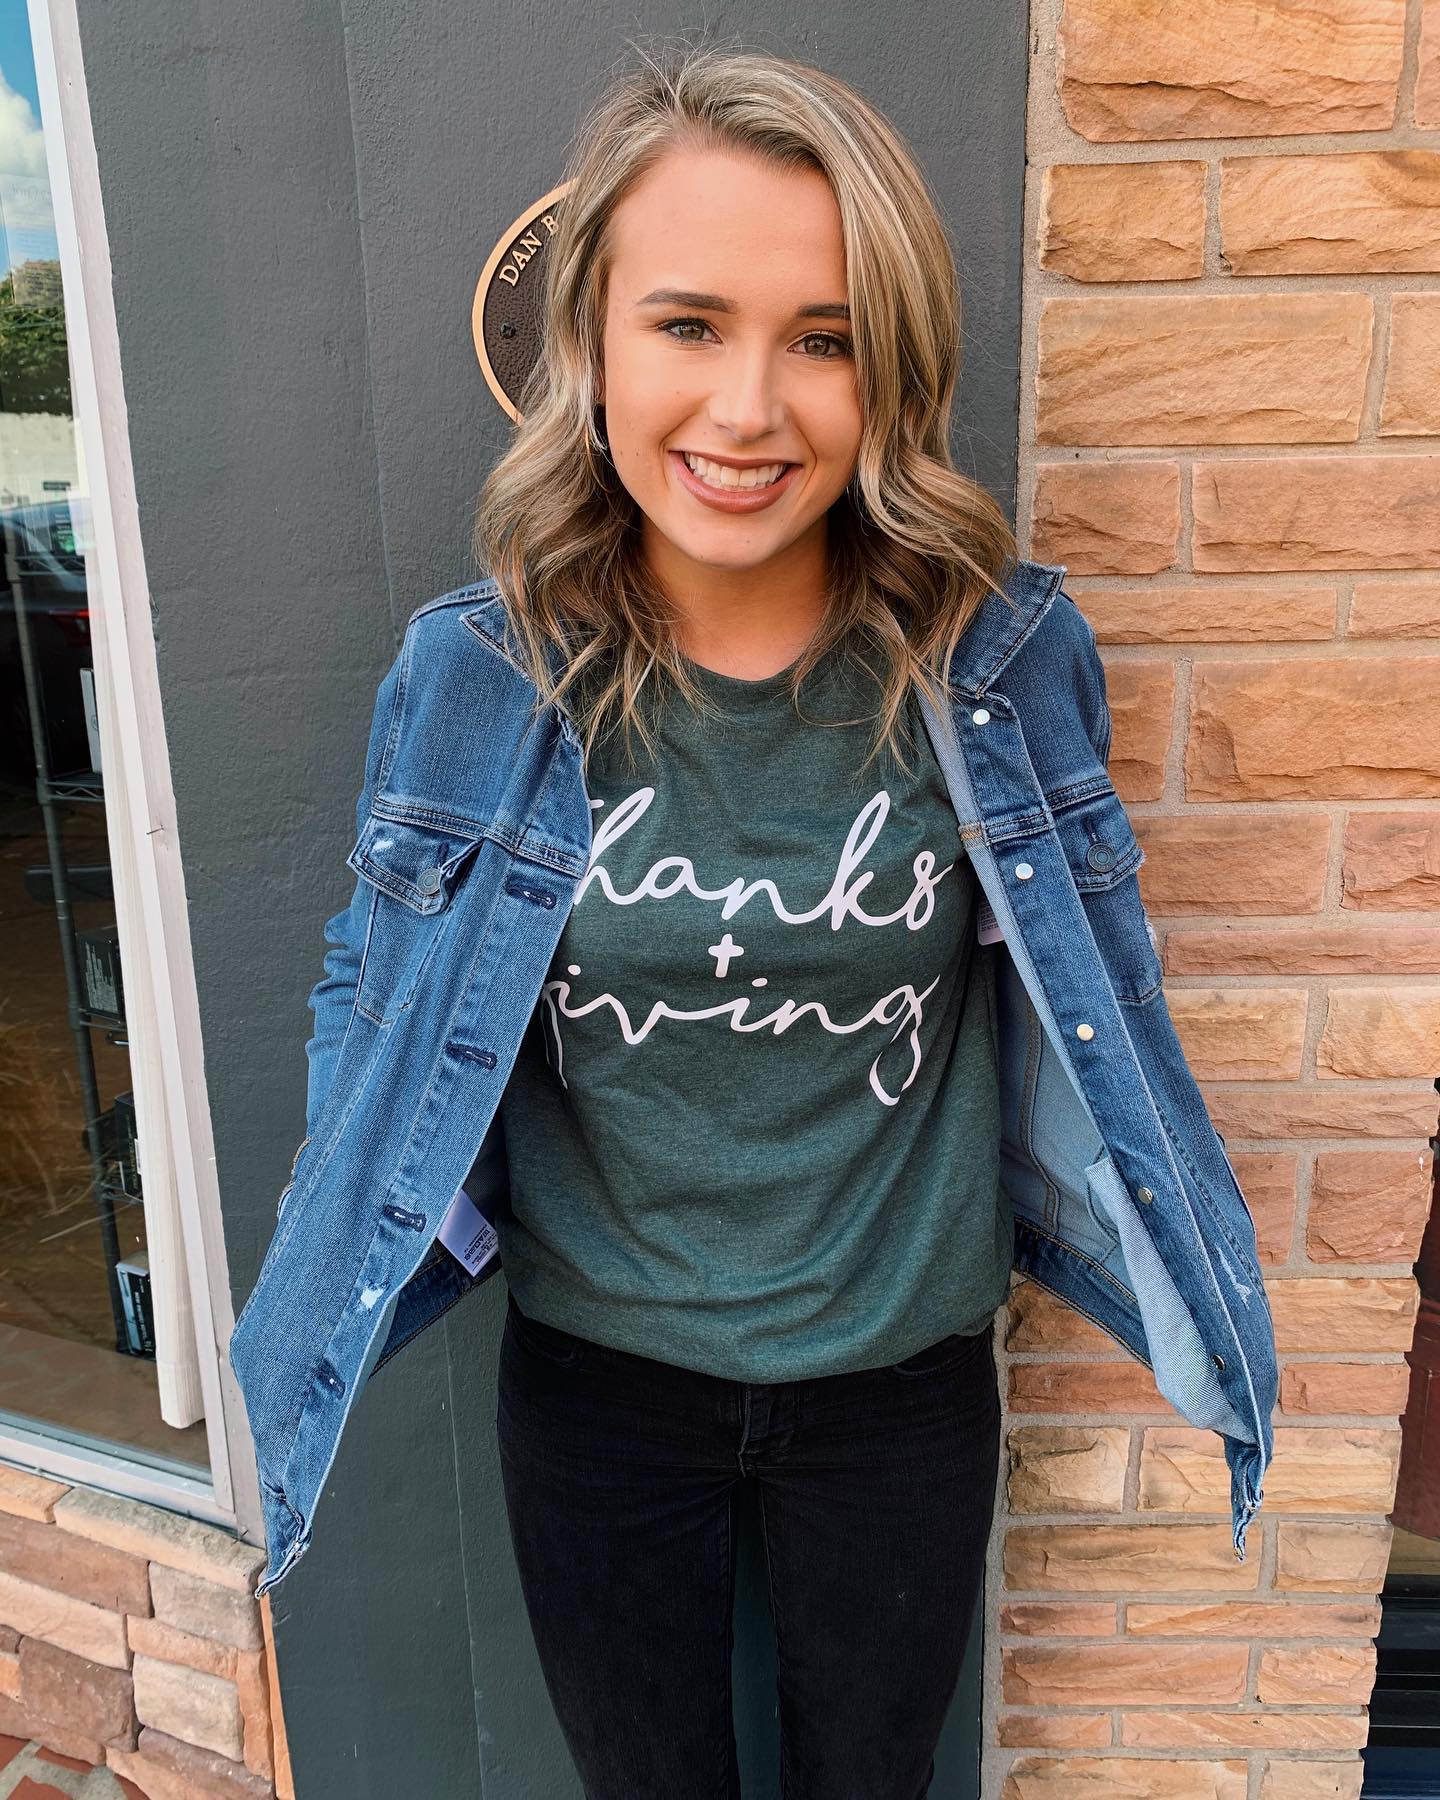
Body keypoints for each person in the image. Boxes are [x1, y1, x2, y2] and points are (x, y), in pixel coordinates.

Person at [227, 40, 1278, 1800]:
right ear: (595, 345)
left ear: (891, 376)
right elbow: (378, 972)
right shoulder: (480, 678)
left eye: (824, 340)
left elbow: (1092, 986)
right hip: (599, 1381)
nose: (746, 409)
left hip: (898, 1384)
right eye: (689, 325)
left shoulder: (997, 663)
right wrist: (347, 1213)